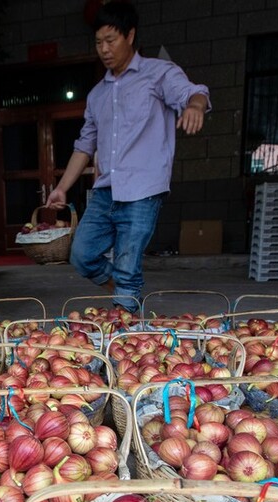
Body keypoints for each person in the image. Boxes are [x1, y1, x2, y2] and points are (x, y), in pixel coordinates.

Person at [45, 1, 209, 313]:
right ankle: (128, 299)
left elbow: (194, 92)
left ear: (130, 36)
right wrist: (62, 188)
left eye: (111, 40)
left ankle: (125, 313)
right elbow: (84, 146)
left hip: (143, 191)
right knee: (81, 254)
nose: (104, 49)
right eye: (98, 42)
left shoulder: (158, 74)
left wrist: (195, 106)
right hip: (106, 191)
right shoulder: (97, 95)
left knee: (127, 265)